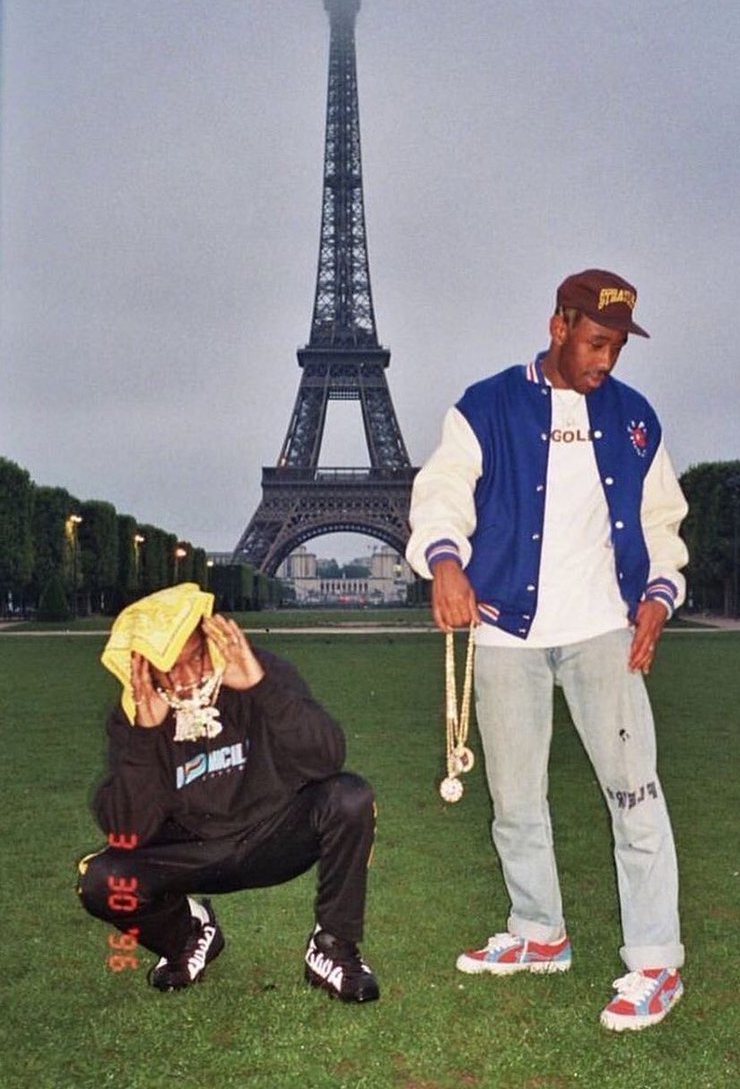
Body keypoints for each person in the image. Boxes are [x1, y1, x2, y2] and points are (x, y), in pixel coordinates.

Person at [406, 269, 688, 1032]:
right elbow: (441, 492)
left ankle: (656, 962)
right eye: (596, 342)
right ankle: (539, 933)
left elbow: (663, 524)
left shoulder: (635, 419)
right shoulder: (486, 405)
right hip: (505, 634)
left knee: (636, 798)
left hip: (605, 634)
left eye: (618, 348)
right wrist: (444, 561)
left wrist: (660, 598)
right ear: (559, 325)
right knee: (516, 802)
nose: (605, 361)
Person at [77, 583, 379, 1003]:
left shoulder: (257, 672)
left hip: (274, 835)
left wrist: (260, 685)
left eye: (194, 659)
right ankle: (187, 934)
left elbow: (327, 758)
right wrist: (145, 737)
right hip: (193, 851)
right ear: (144, 668)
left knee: (351, 797)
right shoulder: (135, 715)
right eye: (168, 667)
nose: (184, 679)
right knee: (104, 880)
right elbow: (129, 831)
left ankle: (333, 945)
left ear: (212, 645)